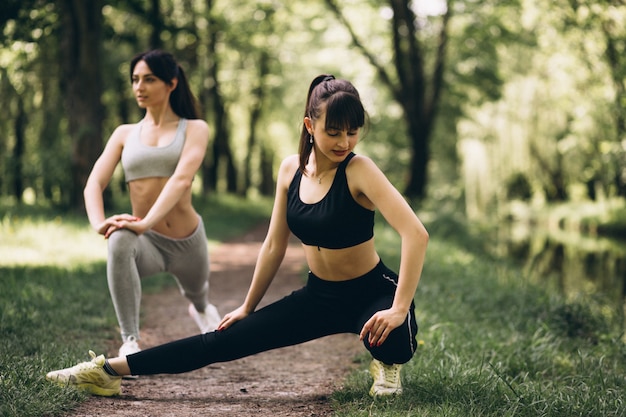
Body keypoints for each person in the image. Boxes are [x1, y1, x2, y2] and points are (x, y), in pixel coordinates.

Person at [46, 74, 429, 398]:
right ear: (310, 126)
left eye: (352, 131)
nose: (345, 142)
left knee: (391, 339)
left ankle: (385, 360)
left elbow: (416, 234)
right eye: (333, 132)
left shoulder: (360, 170)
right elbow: (274, 245)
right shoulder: (289, 171)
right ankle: (108, 371)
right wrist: (248, 307)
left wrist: (396, 307)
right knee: (222, 341)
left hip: (372, 291)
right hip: (320, 296)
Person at [81, 49, 221, 360]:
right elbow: (94, 183)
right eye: (134, 80)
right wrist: (98, 223)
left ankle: (201, 310)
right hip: (147, 244)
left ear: (171, 83)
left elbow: (182, 179)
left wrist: (143, 221)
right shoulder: (124, 134)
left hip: (187, 240)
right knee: (118, 238)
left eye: (149, 79)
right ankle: (129, 340)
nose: (139, 87)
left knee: (198, 295)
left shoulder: (195, 128)